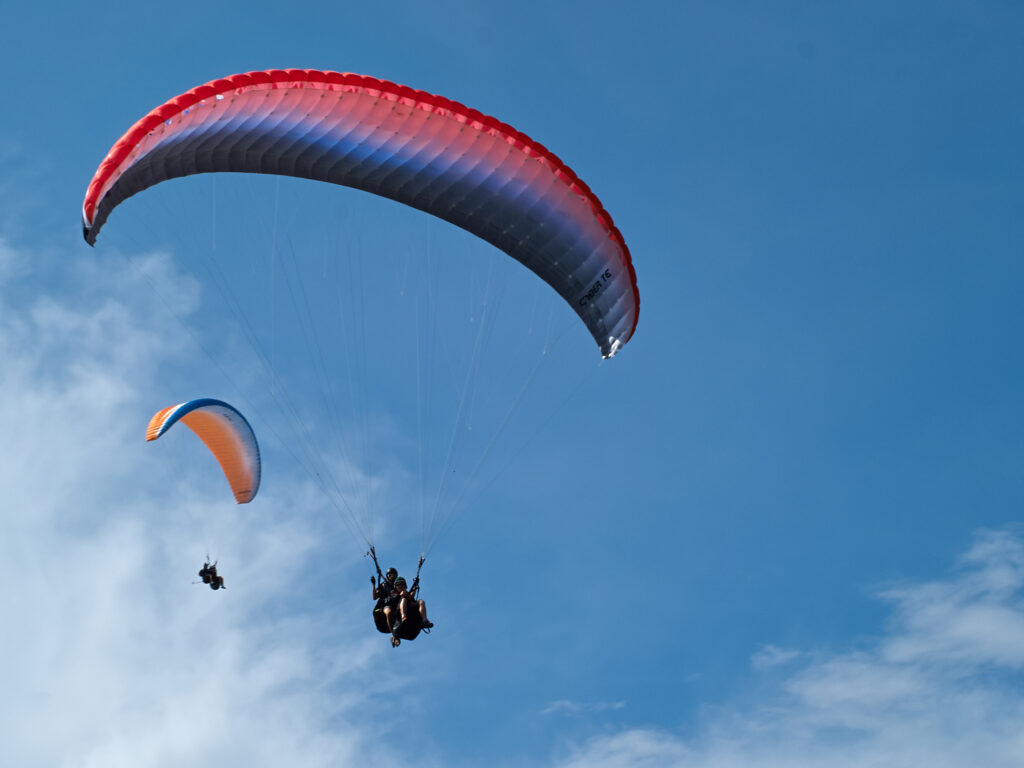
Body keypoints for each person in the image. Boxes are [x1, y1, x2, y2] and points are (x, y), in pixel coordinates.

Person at [389, 576, 434, 647]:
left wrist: (415, 584)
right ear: (396, 586)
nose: (401, 586)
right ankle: (403, 616)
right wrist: (400, 595)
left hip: (409, 611)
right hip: (398, 612)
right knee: (404, 599)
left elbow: (411, 596)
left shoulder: (407, 594)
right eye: (398, 585)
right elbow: (392, 600)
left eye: (402, 584)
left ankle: (424, 620)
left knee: (421, 601)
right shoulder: (393, 593)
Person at [372, 567, 398, 633]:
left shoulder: (398, 585)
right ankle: (393, 633)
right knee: (388, 611)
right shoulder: (384, 585)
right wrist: (374, 585)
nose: (390, 576)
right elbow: (374, 597)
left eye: (392, 574)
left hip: (395, 606)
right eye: (389, 575)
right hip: (383, 607)